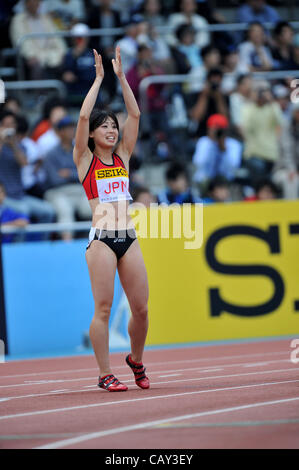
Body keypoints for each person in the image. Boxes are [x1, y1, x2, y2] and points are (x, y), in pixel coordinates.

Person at [73, 46, 150, 392]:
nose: (111, 130)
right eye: (104, 126)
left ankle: (135, 359)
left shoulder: (123, 156)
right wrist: (99, 79)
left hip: (128, 238)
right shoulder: (85, 160)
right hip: (102, 240)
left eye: (113, 126)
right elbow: (82, 118)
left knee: (142, 309)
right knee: (103, 308)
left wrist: (121, 78)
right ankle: (104, 372)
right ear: (92, 134)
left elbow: (134, 116)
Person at [43, 116, 91, 240]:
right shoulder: (50, 154)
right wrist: (77, 174)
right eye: (67, 128)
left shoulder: (81, 150)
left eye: (72, 127)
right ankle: (67, 246)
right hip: (58, 192)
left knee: (94, 207)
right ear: (59, 132)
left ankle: (99, 243)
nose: (71, 131)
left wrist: (69, 174)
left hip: (80, 190)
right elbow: (55, 180)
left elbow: (88, 174)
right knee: (65, 211)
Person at [10, 0, 67, 80]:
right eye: (33, 2)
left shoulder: (46, 18)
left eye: (37, 2)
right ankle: (39, 92)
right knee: (36, 65)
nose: (36, 4)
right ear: (26, 4)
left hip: (50, 53)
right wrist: (30, 55)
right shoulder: (18, 20)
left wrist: (62, 51)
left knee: (66, 60)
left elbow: (57, 38)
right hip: (32, 56)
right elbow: (20, 41)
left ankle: (62, 91)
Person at [192, 114, 242, 192]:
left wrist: (223, 149)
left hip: (225, 180)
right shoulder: (203, 142)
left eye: (220, 130)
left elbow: (233, 166)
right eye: (214, 129)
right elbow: (199, 163)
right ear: (208, 129)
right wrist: (211, 144)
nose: (217, 132)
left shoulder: (234, 144)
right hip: (205, 180)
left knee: (223, 185)